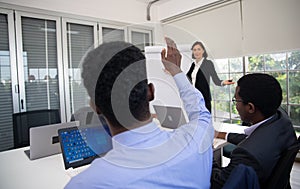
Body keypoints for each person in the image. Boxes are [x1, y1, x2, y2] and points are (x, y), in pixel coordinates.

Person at [65, 38, 214, 188]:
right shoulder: (198, 139)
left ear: (96, 107)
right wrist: (176, 70)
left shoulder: (85, 184)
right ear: (151, 92)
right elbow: (200, 111)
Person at [211, 73, 298, 189]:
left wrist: (207, 150)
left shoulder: (247, 156)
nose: (236, 105)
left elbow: (218, 184)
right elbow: (256, 140)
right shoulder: (282, 119)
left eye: (236, 100)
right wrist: (220, 134)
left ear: (250, 107)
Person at [186, 41, 234, 112]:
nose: (196, 52)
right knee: (195, 120)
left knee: (205, 120)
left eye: (199, 49)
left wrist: (223, 82)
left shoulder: (208, 63)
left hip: (204, 98)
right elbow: (187, 78)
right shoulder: (193, 65)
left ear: (203, 51)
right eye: (194, 50)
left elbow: (216, 80)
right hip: (193, 98)